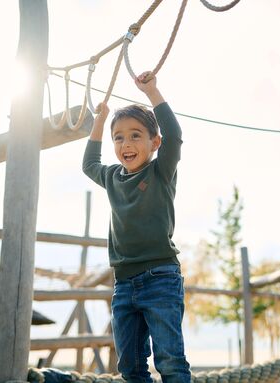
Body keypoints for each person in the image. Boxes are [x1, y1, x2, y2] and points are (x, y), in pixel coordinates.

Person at [82, 71, 191, 383]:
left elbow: (175, 134)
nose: (126, 143)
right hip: (124, 284)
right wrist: (99, 122)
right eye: (119, 137)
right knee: (129, 366)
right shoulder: (113, 176)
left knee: (170, 361)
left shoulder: (161, 172)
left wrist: (152, 93)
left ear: (154, 142)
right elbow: (89, 164)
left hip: (160, 278)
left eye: (135, 135)